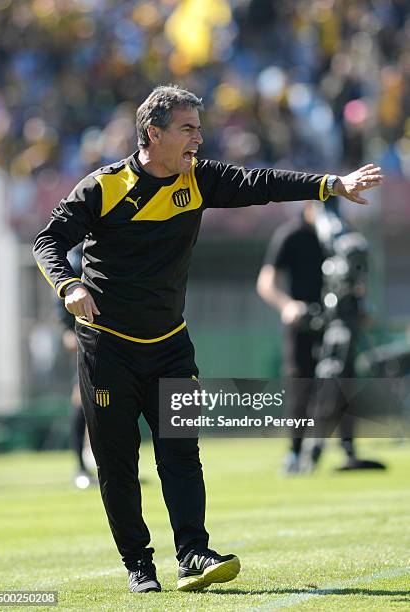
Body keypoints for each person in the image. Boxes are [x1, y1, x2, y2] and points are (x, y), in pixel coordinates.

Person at [33, 85, 383, 593]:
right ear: (153, 133)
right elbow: (48, 241)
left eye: (200, 127)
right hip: (107, 348)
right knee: (118, 462)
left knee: (180, 452)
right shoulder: (102, 187)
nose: (200, 137)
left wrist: (332, 184)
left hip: (171, 345)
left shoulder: (198, 179)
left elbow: (261, 182)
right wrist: (68, 286)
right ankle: (139, 566)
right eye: (188, 128)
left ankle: (193, 552)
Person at [256, 201, 384, 472]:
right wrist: (287, 305)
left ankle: (349, 450)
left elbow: (358, 276)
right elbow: (266, 282)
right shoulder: (291, 234)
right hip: (302, 320)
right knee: (300, 384)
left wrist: (360, 304)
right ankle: (295, 453)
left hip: (337, 319)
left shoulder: (343, 236)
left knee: (342, 383)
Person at [56, 244, 96, 488]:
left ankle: (102, 465)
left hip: (111, 337)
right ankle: (80, 467)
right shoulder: (75, 260)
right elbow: (60, 297)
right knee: (80, 398)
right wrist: (67, 331)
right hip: (85, 337)